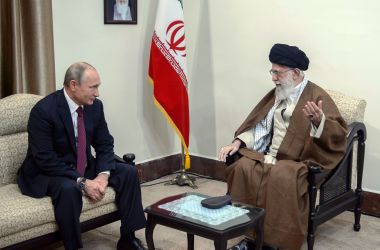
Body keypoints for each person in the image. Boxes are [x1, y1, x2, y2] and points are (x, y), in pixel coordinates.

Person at [219, 44, 347, 250]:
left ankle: (274, 242)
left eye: (277, 72)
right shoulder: (278, 92)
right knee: (242, 169)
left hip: (300, 160)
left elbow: (338, 135)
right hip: (270, 155)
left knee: (282, 177)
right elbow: (260, 124)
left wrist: (319, 121)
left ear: (295, 73)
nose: (273, 77)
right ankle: (247, 235)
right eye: (272, 71)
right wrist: (237, 142)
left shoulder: (317, 96)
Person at [17, 62, 146, 250]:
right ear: (73, 85)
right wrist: (83, 182)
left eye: (98, 86)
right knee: (69, 189)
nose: (98, 93)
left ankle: (128, 239)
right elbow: (45, 158)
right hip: (47, 171)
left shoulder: (94, 107)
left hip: (82, 164)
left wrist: (103, 174)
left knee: (128, 172)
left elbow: (104, 143)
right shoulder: (43, 111)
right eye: (93, 87)